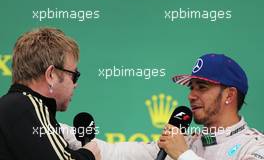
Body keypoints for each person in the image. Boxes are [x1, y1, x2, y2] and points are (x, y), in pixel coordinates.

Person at [61, 53, 264, 160]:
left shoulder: (255, 146)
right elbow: (115, 153)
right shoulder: (184, 141)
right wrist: (51, 126)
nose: (191, 95)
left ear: (229, 95)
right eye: (191, 87)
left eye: (202, 87)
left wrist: (183, 155)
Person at [0, 28, 101, 160]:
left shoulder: (15, 106)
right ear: (51, 75)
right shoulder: (26, 106)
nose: (75, 84)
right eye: (74, 75)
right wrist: (90, 155)